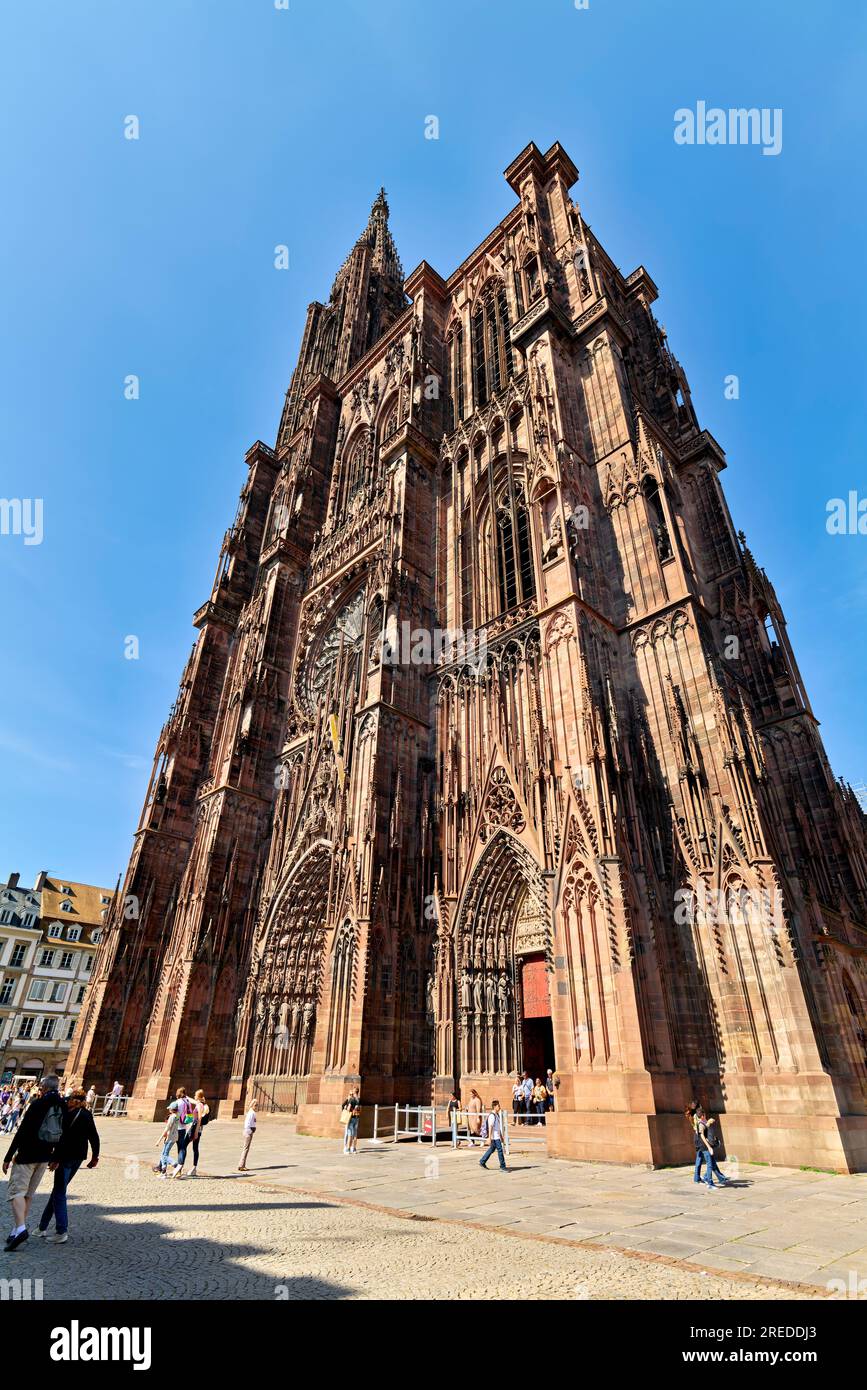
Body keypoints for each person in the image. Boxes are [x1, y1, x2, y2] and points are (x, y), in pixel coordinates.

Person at [2, 1074, 65, 1251]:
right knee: (28, 1193)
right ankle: (16, 1230)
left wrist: (8, 1156)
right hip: (45, 1156)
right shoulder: (62, 1104)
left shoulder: (38, 1104)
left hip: (27, 1154)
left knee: (16, 1192)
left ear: (44, 1088)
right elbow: (64, 1134)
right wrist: (56, 1157)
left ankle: (21, 1228)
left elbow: (22, 1131)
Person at [37, 1088, 99, 1243]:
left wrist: (55, 1158)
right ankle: (42, 1227)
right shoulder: (87, 1114)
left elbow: (62, 1139)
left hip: (64, 1158)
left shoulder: (67, 1114)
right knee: (58, 1191)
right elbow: (94, 1136)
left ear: (72, 1099)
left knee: (59, 1192)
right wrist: (95, 1156)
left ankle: (61, 1231)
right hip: (78, 1157)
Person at [171, 1089, 196, 1177]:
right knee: (181, 1148)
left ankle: (162, 1167)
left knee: (167, 1148)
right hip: (183, 1127)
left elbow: (172, 1114)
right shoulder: (187, 1102)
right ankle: (180, 1169)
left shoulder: (177, 1102)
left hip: (176, 1128)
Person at [479, 1099, 508, 1172]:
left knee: (491, 1149)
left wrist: (501, 1136)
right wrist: (489, 1138)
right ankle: (502, 1166)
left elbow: (498, 1128)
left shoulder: (496, 1115)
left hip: (497, 1136)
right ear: (494, 1106)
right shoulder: (492, 1116)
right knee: (500, 1151)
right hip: (494, 1137)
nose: (499, 1107)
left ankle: (482, 1161)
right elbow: (490, 1127)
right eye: (498, 1106)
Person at [154, 1103, 180, 1177]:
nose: (168, 1109)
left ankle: (175, 1164)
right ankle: (163, 1171)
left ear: (172, 1109)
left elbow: (167, 1128)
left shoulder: (172, 1117)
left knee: (165, 1155)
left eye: (169, 1108)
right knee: (163, 1154)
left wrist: (159, 1140)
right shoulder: (177, 1115)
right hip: (174, 1136)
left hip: (170, 1137)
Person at [189, 1089, 210, 1176]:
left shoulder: (202, 1106)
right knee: (194, 1148)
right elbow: (192, 1100)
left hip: (195, 1129)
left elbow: (199, 1119)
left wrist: (196, 1131)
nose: (194, 1096)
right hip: (196, 1129)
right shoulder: (201, 1104)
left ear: (198, 1097)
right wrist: (184, 1096)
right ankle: (193, 1168)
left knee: (184, 1146)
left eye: (195, 1095)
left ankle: (179, 1166)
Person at [238, 1100, 257, 1171]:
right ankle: (241, 1165)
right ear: (252, 1105)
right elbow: (248, 1124)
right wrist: (251, 1131)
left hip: (248, 1131)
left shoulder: (252, 1112)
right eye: (255, 1105)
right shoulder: (251, 1113)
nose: (256, 1107)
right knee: (245, 1149)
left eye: (257, 1105)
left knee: (246, 1149)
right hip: (248, 1132)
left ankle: (242, 1165)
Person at [342, 1087, 360, 1154]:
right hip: (356, 1118)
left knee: (350, 1134)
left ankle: (348, 1149)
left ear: (354, 1092)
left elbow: (348, 1109)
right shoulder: (358, 1099)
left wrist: (346, 1108)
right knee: (355, 1134)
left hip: (351, 1118)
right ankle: (354, 1149)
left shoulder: (351, 1099)